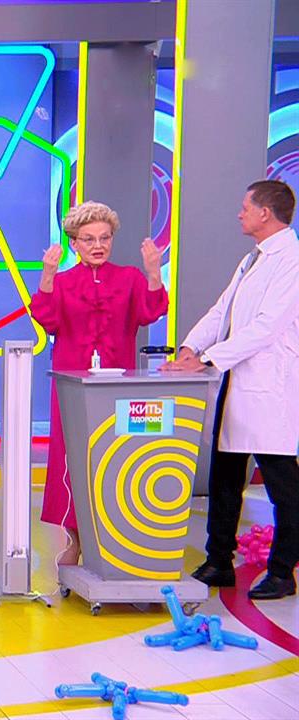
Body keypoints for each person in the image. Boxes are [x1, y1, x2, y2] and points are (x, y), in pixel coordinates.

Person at [163, 179, 299, 600]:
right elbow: (222, 310)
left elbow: (266, 327)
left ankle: (282, 571)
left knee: (282, 484)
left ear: (265, 213)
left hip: (270, 387)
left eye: (245, 207)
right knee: (224, 476)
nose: (239, 213)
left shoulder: (291, 260)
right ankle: (218, 560)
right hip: (237, 381)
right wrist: (191, 347)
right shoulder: (252, 258)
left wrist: (207, 359)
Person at [29, 201, 168, 565]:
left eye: (104, 238)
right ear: (74, 243)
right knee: (72, 459)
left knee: (118, 456)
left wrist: (154, 272)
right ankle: (75, 540)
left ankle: (117, 539)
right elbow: (47, 320)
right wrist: (47, 275)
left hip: (118, 388)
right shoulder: (62, 282)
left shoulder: (129, 278)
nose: (98, 245)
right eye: (89, 239)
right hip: (71, 386)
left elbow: (151, 311)